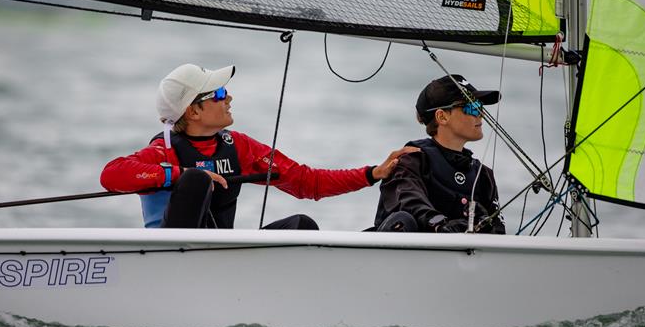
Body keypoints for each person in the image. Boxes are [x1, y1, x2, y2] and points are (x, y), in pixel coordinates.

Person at [101, 63, 417, 229]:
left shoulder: (239, 147)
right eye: (220, 93)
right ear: (193, 111)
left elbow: (308, 182)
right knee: (195, 180)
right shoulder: (164, 149)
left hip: (219, 257)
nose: (230, 98)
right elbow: (112, 175)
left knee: (301, 226)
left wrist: (373, 173)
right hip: (169, 258)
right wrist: (181, 174)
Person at [373, 74, 506, 234]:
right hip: (405, 252)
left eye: (480, 106)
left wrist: (487, 223)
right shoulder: (413, 159)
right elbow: (408, 202)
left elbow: (499, 232)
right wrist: (440, 224)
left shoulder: (483, 174)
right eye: (471, 107)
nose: (480, 114)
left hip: (460, 256)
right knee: (403, 219)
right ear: (442, 116)